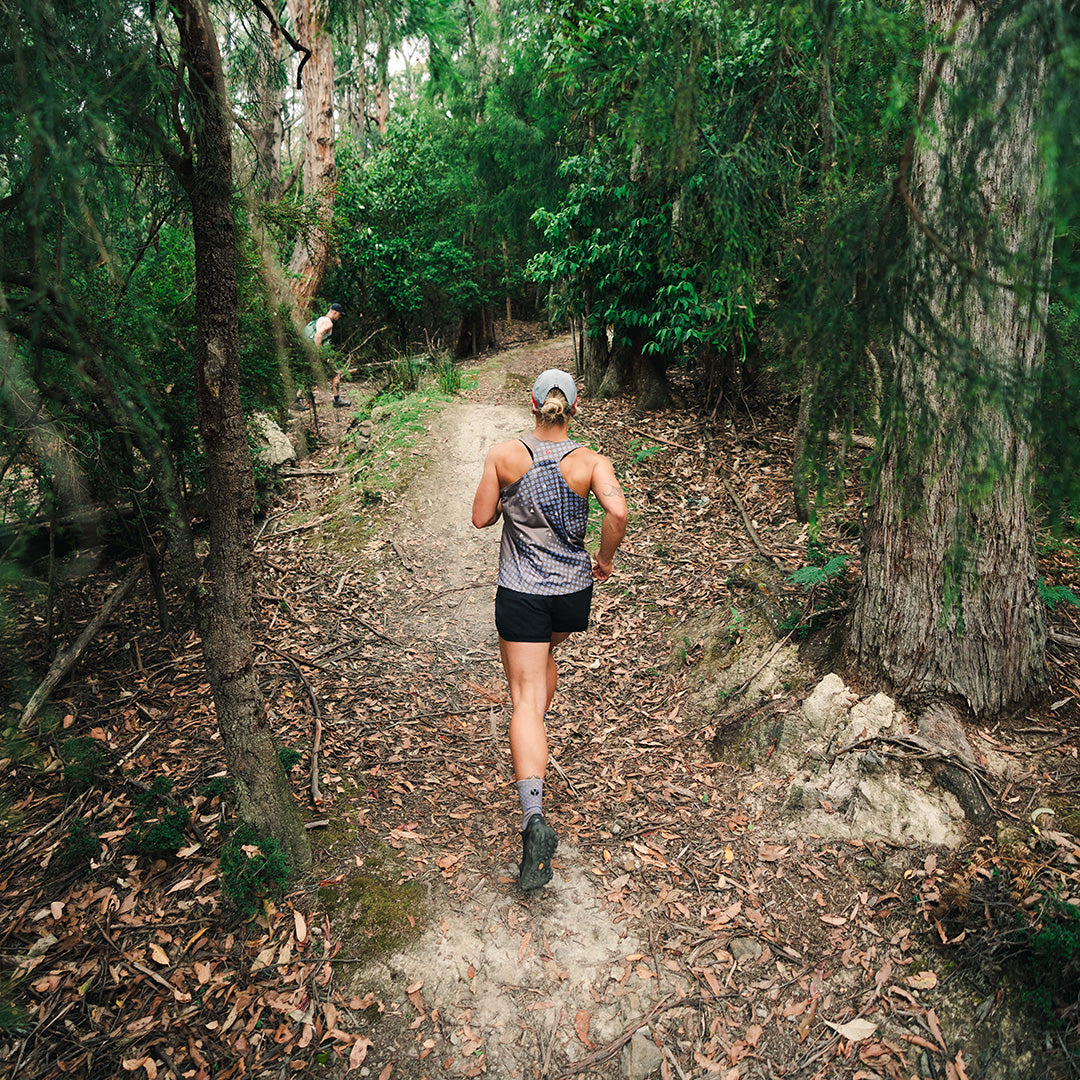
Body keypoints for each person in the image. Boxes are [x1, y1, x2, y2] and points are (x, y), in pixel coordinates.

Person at [471, 369, 628, 890]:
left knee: (525, 697)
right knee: (542, 668)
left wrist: (508, 500)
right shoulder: (591, 461)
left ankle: (533, 818)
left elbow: (480, 518)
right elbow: (617, 511)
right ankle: (534, 726)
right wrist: (603, 559)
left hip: (521, 593)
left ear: (533, 405)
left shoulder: (504, 455)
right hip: (570, 594)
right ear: (573, 409)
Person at [295, 302, 350, 408]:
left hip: (308, 351)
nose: (340, 316)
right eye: (339, 314)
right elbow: (317, 336)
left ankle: (296, 401)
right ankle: (337, 399)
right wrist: (320, 353)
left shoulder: (320, 319)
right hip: (316, 352)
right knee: (336, 374)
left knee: (307, 376)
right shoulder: (328, 323)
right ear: (334, 312)